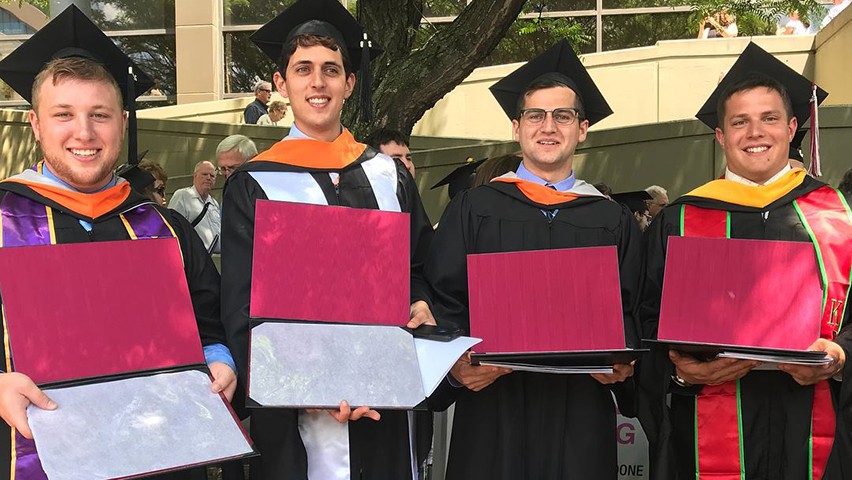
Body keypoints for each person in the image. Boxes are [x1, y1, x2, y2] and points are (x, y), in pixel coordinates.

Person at [0, 6, 236, 478]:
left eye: (100, 115)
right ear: (36, 124)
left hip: (161, 453)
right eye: (63, 114)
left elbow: (210, 325)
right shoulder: (4, 220)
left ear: (123, 122)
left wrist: (220, 361)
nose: (83, 133)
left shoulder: (165, 228)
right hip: (34, 453)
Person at [220, 0, 435, 478]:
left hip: (384, 398)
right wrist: (305, 385)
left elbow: (419, 267)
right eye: (303, 70)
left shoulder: (387, 176)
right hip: (297, 405)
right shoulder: (256, 183)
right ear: (282, 84)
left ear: (349, 83)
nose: (318, 83)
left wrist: (420, 300)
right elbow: (240, 308)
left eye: (331, 70)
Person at [423, 40, 643, 480]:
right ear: (517, 127)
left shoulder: (610, 218)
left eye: (562, 115)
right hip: (492, 408)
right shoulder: (475, 208)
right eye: (535, 115)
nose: (548, 126)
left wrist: (626, 365)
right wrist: (455, 368)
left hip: (580, 409)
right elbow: (439, 296)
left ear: (582, 129)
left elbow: (634, 308)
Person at [639, 42, 852, 480]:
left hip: (814, 431)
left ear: (792, 127)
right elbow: (644, 321)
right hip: (706, 434)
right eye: (740, 122)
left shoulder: (835, 216)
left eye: (769, 118)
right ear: (721, 136)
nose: (755, 132)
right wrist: (684, 373)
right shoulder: (682, 219)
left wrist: (840, 356)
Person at [169, 161, 221, 254]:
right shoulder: (183, 195)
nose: (208, 178)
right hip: (192, 257)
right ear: (195, 175)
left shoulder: (214, 203)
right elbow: (173, 228)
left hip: (212, 259)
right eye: (204, 174)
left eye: (212, 176)